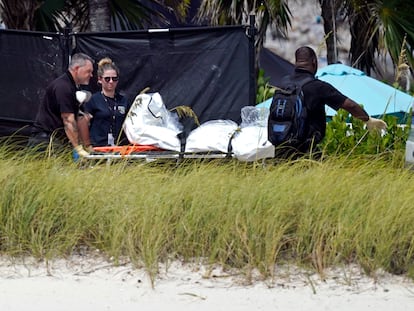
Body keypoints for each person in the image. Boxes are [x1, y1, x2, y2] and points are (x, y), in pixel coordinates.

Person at [284, 46, 387, 153]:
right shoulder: (317, 86)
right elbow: (349, 105)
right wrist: (367, 119)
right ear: (314, 62)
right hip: (306, 150)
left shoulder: (284, 83)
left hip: (282, 147)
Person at [28, 53, 94, 157]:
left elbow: (80, 118)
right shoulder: (63, 87)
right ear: (77, 69)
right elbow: (68, 120)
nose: (91, 75)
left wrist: (87, 145)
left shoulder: (72, 86)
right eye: (88, 71)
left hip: (57, 140)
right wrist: (78, 148)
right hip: (45, 141)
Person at [77, 57, 130, 148]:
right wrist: (87, 145)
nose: (111, 82)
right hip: (98, 147)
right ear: (100, 79)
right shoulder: (93, 100)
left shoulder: (123, 100)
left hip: (119, 148)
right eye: (107, 79)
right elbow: (83, 122)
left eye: (114, 78)